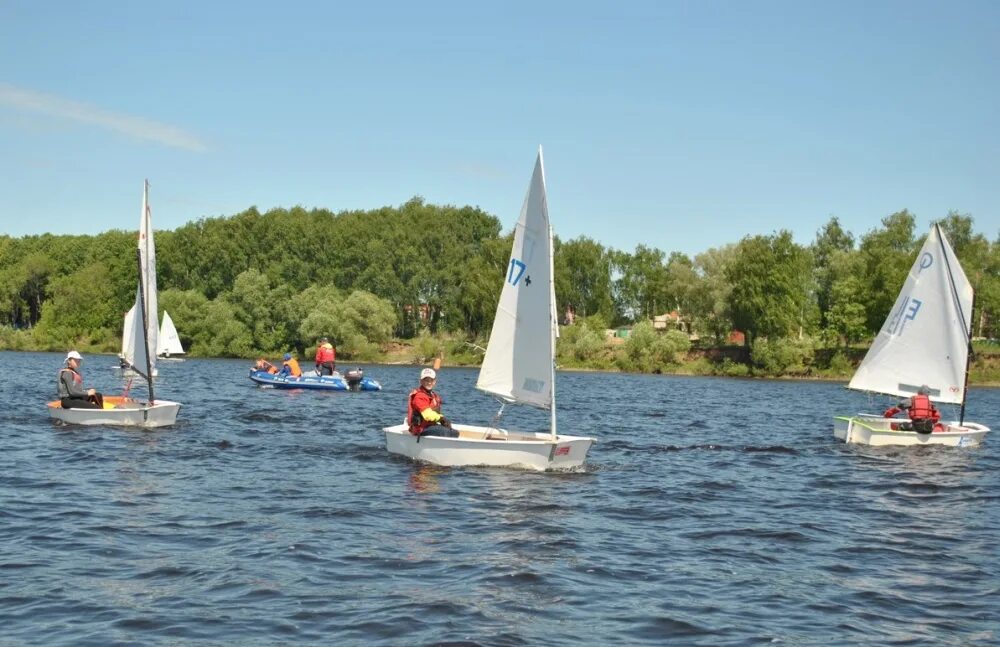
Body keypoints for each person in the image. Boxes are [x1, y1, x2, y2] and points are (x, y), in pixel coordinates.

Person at [407, 368, 458, 438]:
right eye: (426, 380)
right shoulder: (419, 396)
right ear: (421, 381)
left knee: (454, 432)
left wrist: (443, 421)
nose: (429, 382)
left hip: (429, 426)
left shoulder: (434, 396)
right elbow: (427, 415)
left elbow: (435, 413)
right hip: (420, 429)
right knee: (447, 432)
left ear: (435, 382)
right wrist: (441, 419)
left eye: (431, 380)